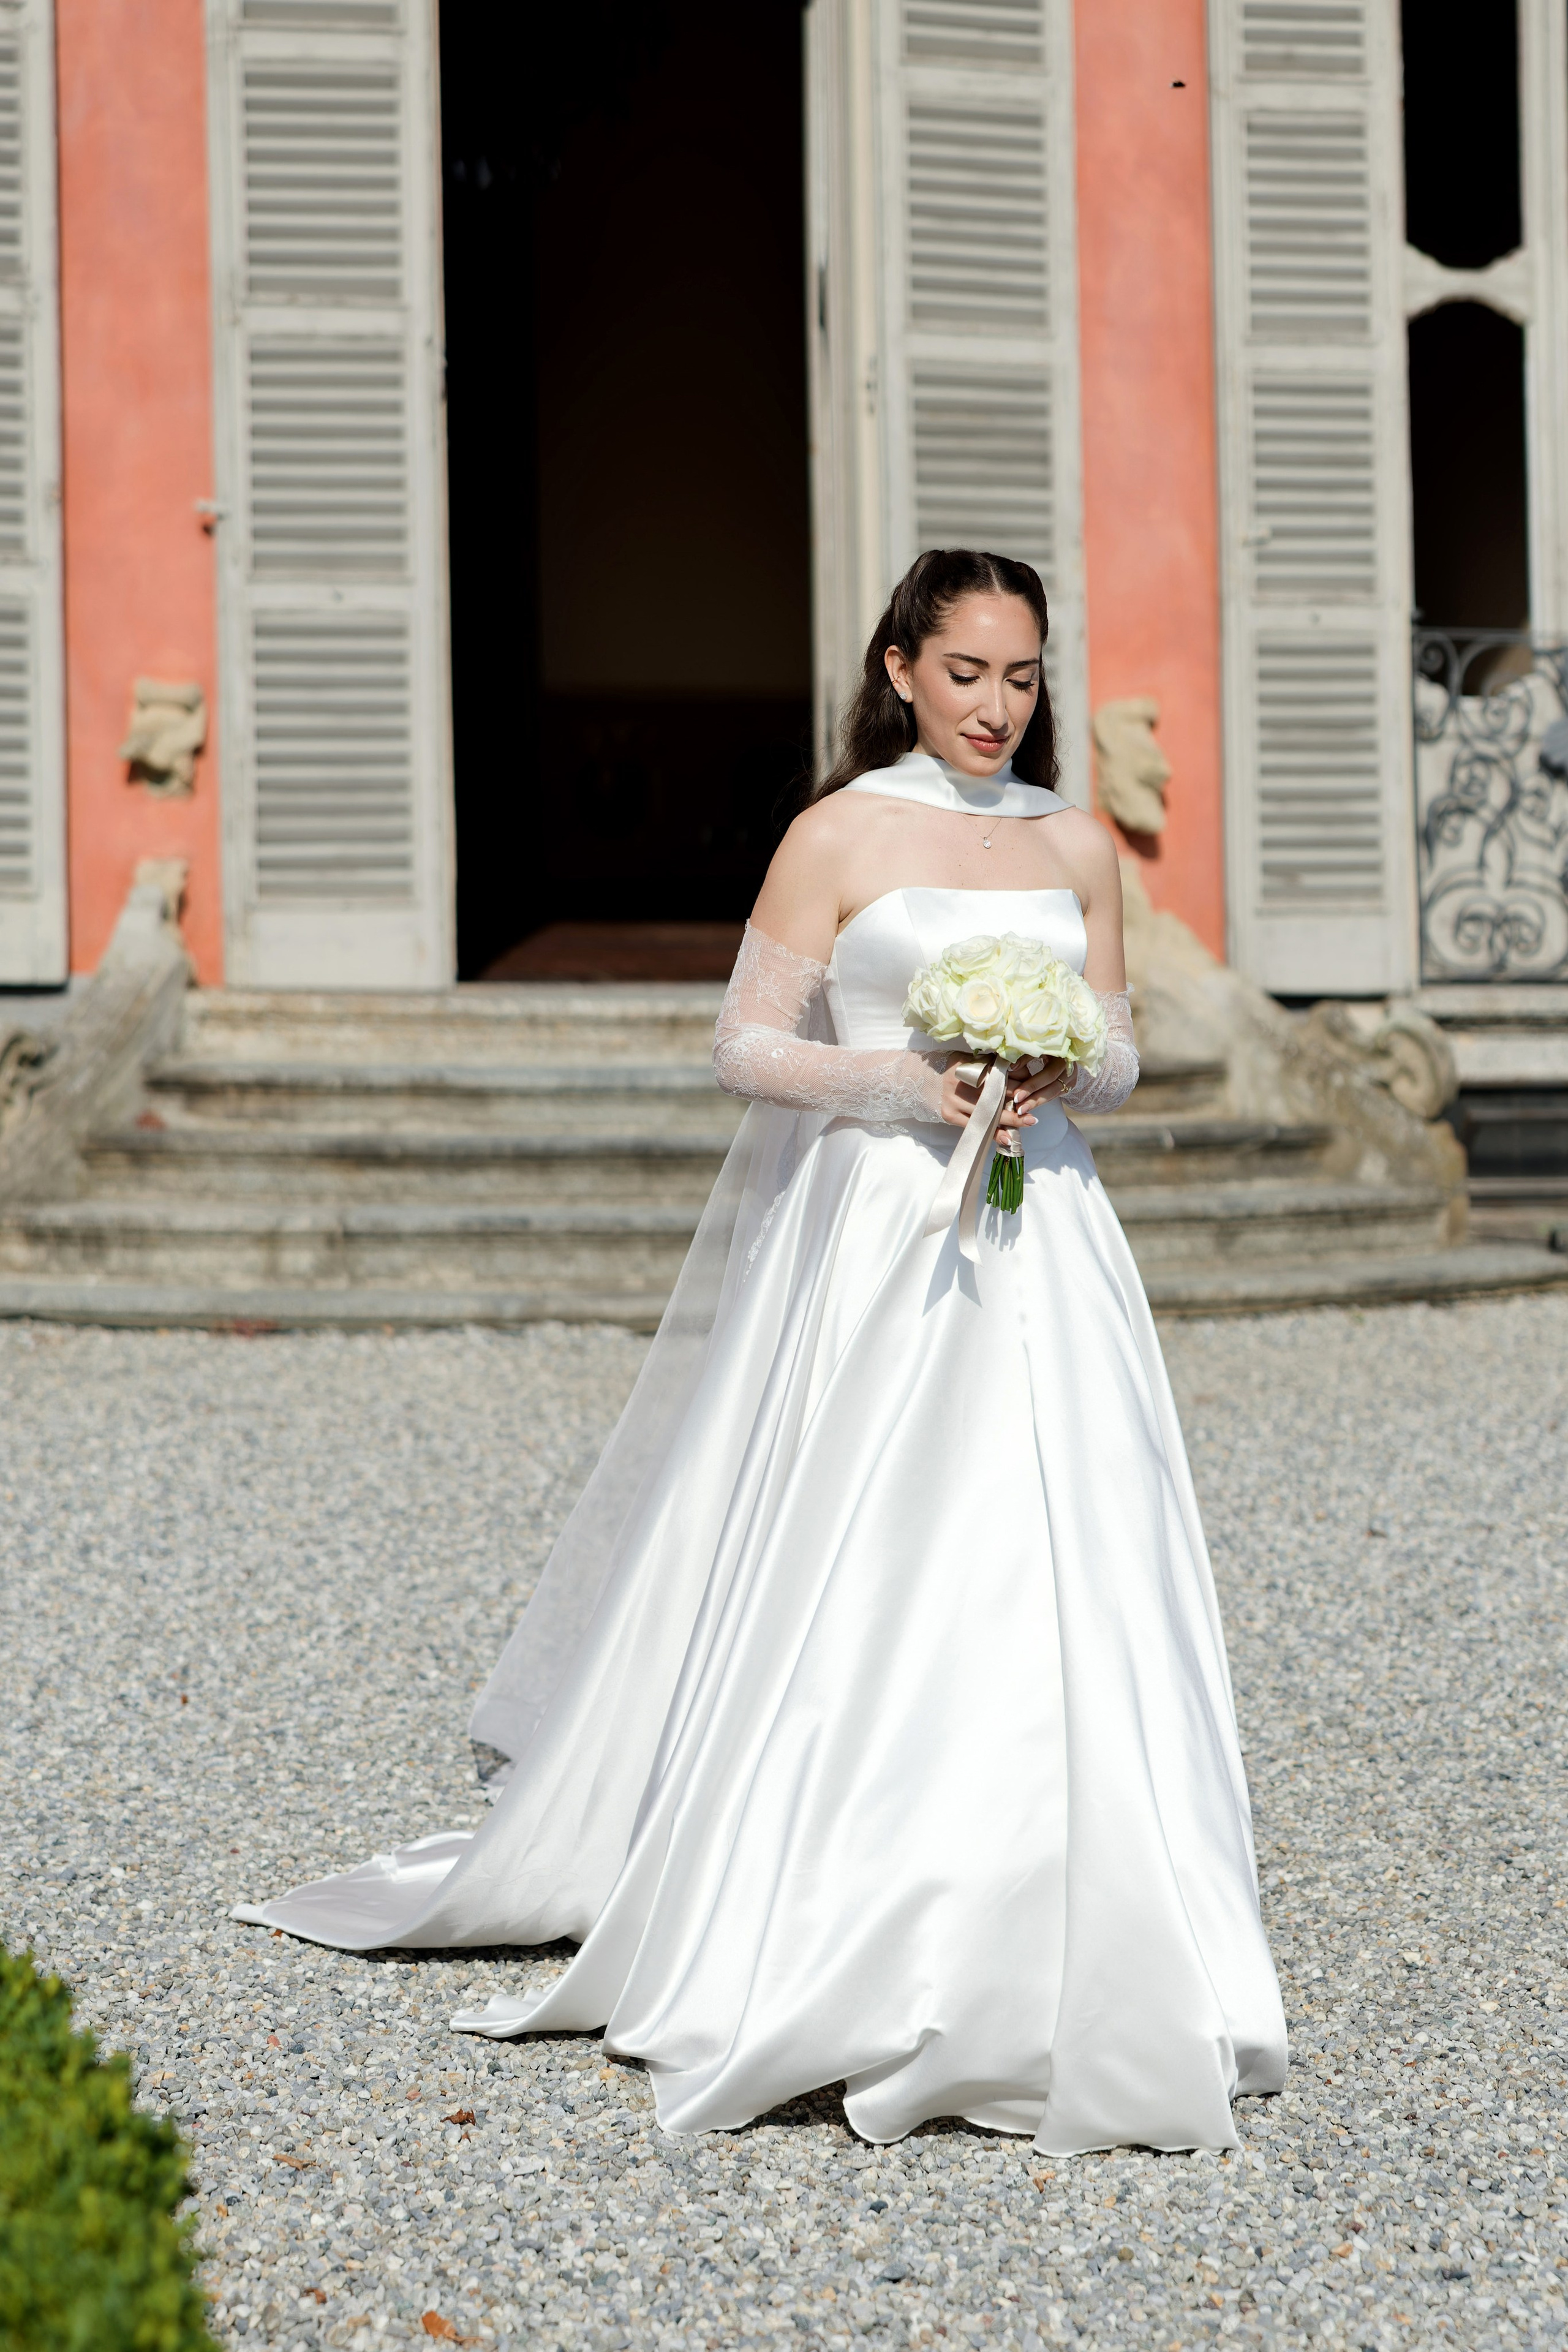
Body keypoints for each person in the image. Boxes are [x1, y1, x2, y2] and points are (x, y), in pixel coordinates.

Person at [236, 549, 1287, 2156]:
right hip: (875, 1228)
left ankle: (1076, 1902)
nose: (994, 706)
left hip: (1046, 1232)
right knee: (869, 1537)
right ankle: (828, 1890)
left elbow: (1131, 1047)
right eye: (964, 673)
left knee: (1065, 1549)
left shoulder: (1080, 841)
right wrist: (904, 1087)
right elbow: (744, 1043)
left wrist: (1064, 1064)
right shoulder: (838, 832)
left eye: (1019, 677)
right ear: (898, 666)